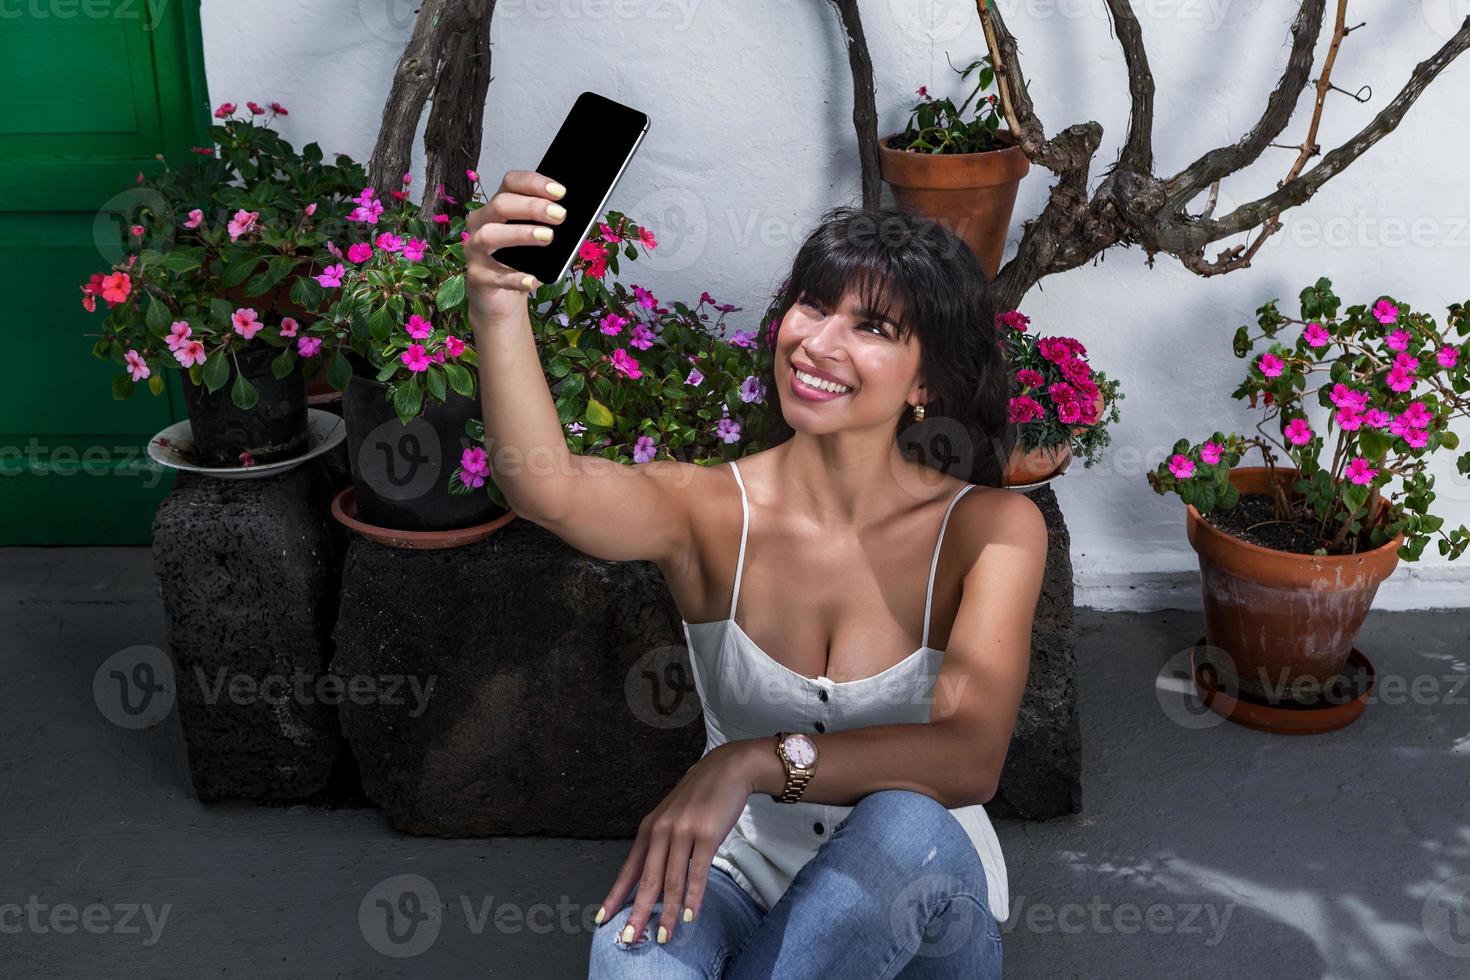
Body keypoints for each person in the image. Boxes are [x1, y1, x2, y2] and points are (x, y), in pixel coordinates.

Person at [465, 170, 1047, 978]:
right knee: (632, 954)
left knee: (903, 821)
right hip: (737, 877)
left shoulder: (992, 530)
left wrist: (749, 760)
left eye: (872, 326)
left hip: (917, 896)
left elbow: (968, 758)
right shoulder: (707, 511)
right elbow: (546, 487)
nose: (818, 342)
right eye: (813, 305)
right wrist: (498, 305)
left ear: (926, 383)